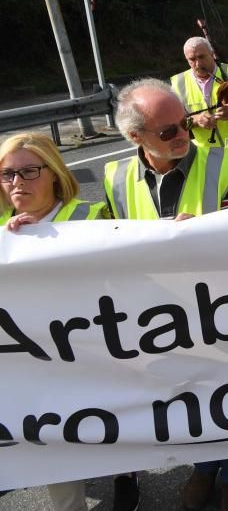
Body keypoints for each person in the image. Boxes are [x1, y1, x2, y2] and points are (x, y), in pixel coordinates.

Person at [102, 79, 228, 510]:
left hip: (222, 306)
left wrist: (204, 236)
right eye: (167, 131)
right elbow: (95, 244)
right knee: (187, 394)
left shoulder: (225, 162)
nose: (184, 134)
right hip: (157, 315)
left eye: (184, 123)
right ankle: (204, 467)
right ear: (135, 137)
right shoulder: (114, 178)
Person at [0, 133, 137, 511]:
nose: (16, 183)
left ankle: (126, 475)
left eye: (28, 171)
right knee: (48, 434)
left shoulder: (89, 217)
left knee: (114, 420)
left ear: (55, 175)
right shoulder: (2, 228)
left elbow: (129, 268)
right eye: (7, 174)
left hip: (94, 346)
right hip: (34, 357)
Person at [172, 36, 228, 147]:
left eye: (201, 57)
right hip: (206, 155)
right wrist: (196, 120)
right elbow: (174, 123)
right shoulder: (178, 83)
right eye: (192, 59)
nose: (198, 64)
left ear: (212, 54)